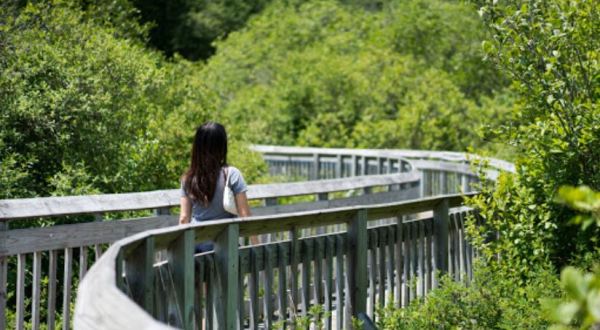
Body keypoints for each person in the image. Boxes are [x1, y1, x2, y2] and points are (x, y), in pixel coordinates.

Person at [179, 122, 251, 252]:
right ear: (222, 146)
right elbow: (245, 215)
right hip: (225, 247)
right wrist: (256, 247)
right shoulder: (232, 174)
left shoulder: (187, 178)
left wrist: (181, 253)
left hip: (196, 248)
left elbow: (184, 219)